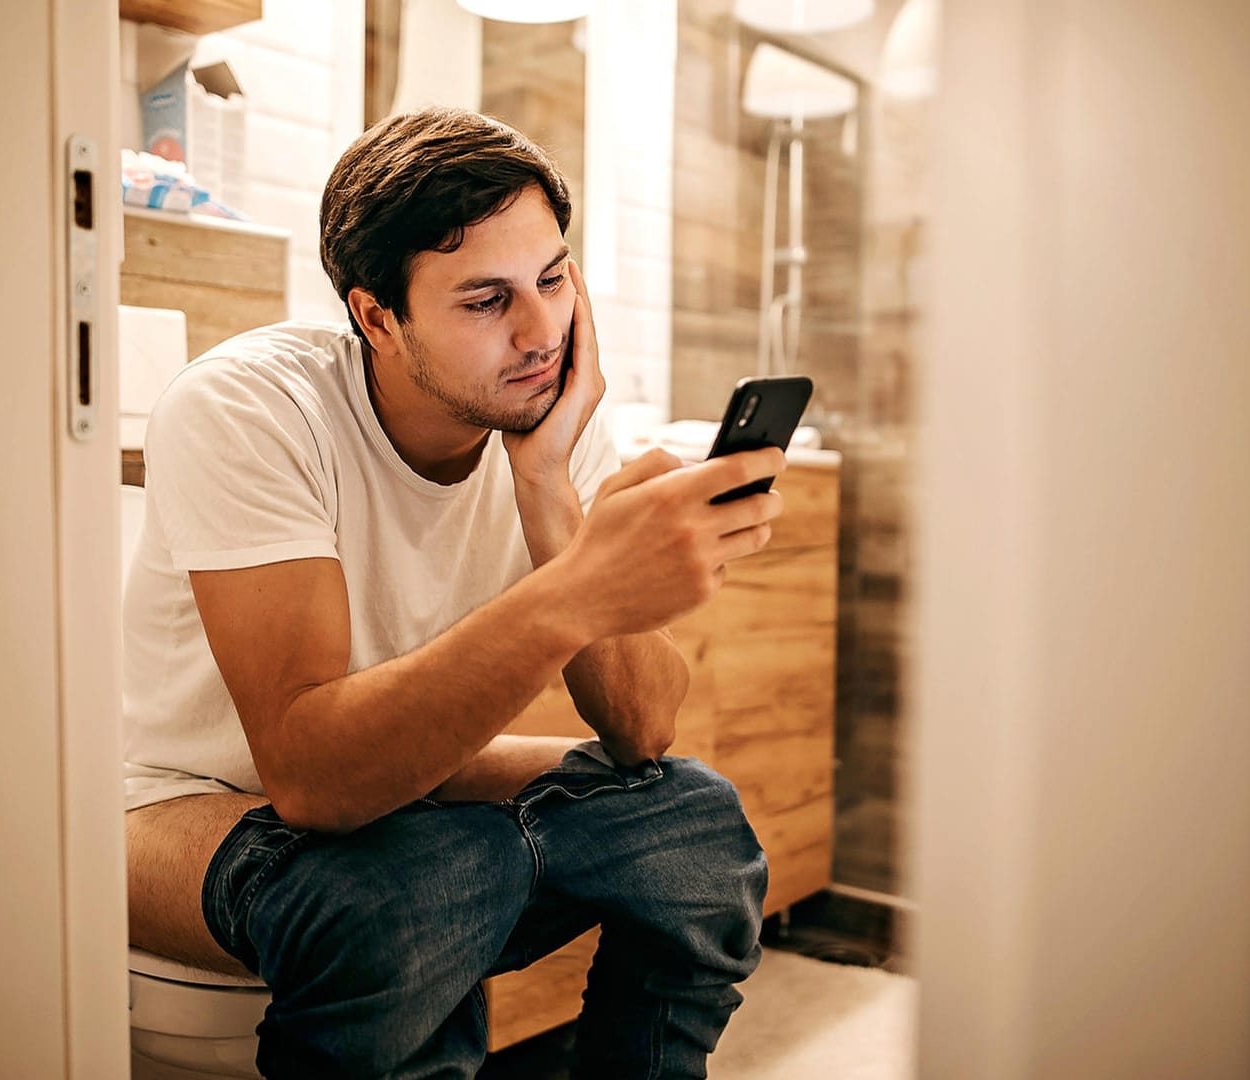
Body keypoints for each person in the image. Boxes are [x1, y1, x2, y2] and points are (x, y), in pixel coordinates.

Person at [120, 106, 786, 1078]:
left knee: (690, 821)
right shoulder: (250, 407)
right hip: (183, 806)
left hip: (407, 785)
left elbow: (643, 728)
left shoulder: (545, 417)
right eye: (486, 301)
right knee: (429, 879)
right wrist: (582, 589)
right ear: (376, 315)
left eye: (553, 280)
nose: (539, 333)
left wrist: (551, 488)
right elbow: (309, 778)